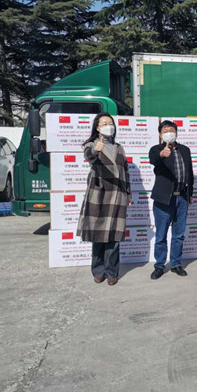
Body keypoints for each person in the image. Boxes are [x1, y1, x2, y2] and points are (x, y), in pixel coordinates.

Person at [77, 113, 131, 286]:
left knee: (114, 235)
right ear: (97, 127)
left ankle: (112, 272)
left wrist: (128, 192)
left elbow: (125, 171)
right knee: (98, 234)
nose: (108, 125)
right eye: (104, 123)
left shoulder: (119, 147)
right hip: (99, 194)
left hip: (117, 194)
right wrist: (96, 150)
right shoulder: (92, 144)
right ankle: (98, 271)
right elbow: (89, 156)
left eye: (110, 122)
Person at [148, 120, 194, 280]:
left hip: (182, 197)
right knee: (161, 235)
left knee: (179, 234)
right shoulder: (156, 149)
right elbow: (153, 160)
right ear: (160, 134)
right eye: (165, 131)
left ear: (176, 132)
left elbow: (189, 173)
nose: (169, 133)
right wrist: (162, 154)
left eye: (171, 130)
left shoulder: (185, 150)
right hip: (164, 199)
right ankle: (159, 265)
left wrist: (190, 193)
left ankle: (176, 263)